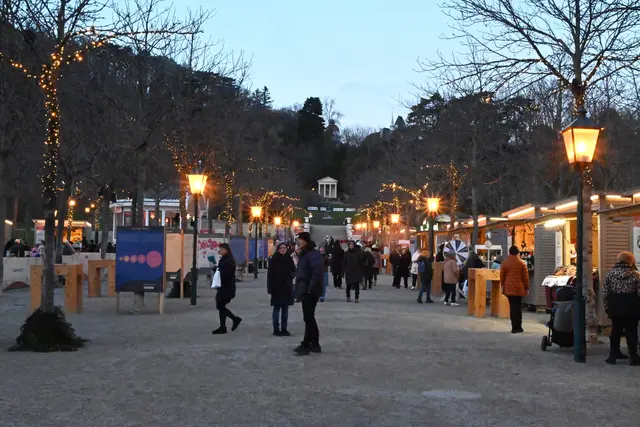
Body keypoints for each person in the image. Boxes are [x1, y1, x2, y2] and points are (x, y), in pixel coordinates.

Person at [602, 251, 640, 365]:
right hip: (631, 306)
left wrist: (607, 307)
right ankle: (633, 356)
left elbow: (605, 292)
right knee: (631, 331)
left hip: (615, 306)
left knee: (615, 330)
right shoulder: (635, 275)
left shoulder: (610, 274)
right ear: (630, 261)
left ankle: (613, 355)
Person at [293, 232, 324, 355]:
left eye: (300, 240)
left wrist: (310, 289)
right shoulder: (305, 254)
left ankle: (306, 345)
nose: (298, 242)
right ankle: (315, 344)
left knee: (308, 317)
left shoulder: (312, 254)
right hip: (305, 289)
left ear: (305, 240)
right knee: (309, 317)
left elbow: (316, 273)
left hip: (310, 290)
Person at [212, 243, 242, 335]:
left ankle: (234, 319)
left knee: (220, 306)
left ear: (226, 250)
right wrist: (216, 268)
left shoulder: (228, 260)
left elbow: (224, 273)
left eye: (221, 249)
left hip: (226, 287)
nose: (219, 251)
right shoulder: (226, 259)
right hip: (225, 287)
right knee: (221, 306)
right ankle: (223, 326)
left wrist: (215, 269)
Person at [267, 243, 296, 336]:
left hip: (287, 287)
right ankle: (276, 329)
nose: (283, 249)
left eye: (284, 248)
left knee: (285, 309)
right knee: (277, 308)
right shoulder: (274, 259)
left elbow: (294, 270)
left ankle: (284, 328)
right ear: (278, 249)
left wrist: (291, 276)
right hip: (277, 287)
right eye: (281, 248)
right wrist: (270, 288)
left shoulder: (289, 258)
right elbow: (270, 275)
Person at [500, 246, 530, 333]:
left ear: (509, 252)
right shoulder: (522, 263)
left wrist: (502, 285)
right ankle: (518, 326)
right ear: (518, 253)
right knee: (518, 307)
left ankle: (514, 326)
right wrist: (527, 288)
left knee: (512, 307)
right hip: (519, 288)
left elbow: (502, 276)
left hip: (509, 288)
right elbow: (525, 278)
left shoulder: (505, 263)